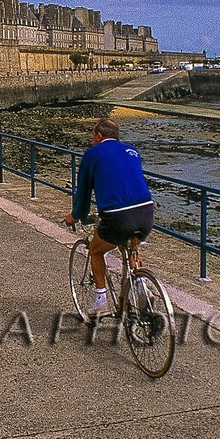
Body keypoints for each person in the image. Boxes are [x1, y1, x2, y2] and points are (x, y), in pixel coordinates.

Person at [64, 117, 154, 318]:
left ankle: (101, 302)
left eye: (92, 136)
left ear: (98, 135)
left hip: (117, 217)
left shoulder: (92, 154)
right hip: (146, 213)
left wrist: (75, 216)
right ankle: (141, 287)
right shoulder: (132, 151)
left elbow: (83, 194)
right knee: (131, 243)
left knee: (95, 251)